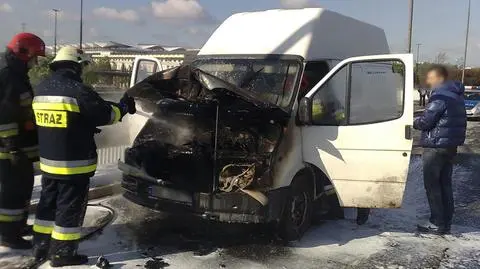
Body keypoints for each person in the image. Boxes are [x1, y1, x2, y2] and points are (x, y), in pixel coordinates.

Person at [31, 46, 136, 267]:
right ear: (76, 66)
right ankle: (62, 254)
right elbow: (105, 115)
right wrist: (124, 107)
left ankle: (40, 247)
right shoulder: (78, 90)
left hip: (49, 164)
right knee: (69, 210)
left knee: (47, 206)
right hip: (73, 165)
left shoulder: (41, 88)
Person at [0, 33, 45, 249]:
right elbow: (5, 115)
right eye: (34, 57)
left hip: (20, 147)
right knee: (12, 192)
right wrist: (12, 146)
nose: (35, 63)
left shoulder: (17, 74)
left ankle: (17, 226)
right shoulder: (8, 76)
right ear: (23, 52)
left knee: (23, 188)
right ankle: (9, 235)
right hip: (10, 150)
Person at [413, 65, 467, 235]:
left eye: (430, 78)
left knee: (432, 185)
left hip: (436, 146)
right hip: (450, 146)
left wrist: (412, 121)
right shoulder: (456, 96)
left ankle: (436, 222)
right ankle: (446, 222)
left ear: (439, 78)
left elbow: (426, 122)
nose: (428, 81)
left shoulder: (440, 96)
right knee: (445, 184)